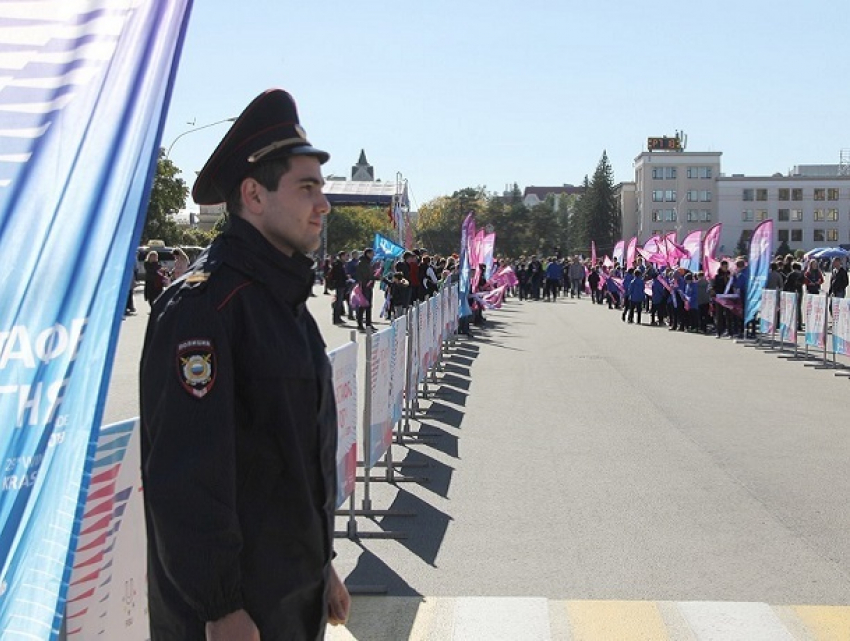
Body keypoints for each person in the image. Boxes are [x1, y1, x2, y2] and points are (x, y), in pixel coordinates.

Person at [139, 89, 350, 641]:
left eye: (321, 187)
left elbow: (293, 461)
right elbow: (187, 479)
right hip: (235, 619)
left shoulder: (283, 303)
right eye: (307, 187)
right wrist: (219, 607)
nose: (322, 204)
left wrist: (321, 564)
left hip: (290, 600)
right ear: (254, 195)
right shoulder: (205, 308)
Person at [355, 247, 377, 330]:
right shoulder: (362, 263)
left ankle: (368, 324)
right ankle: (360, 324)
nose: (373, 255)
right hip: (364, 286)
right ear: (367, 254)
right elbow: (366, 276)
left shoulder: (368, 263)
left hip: (369, 286)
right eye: (372, 254)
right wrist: (374, 277)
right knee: (363, 306)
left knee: (368, 306)